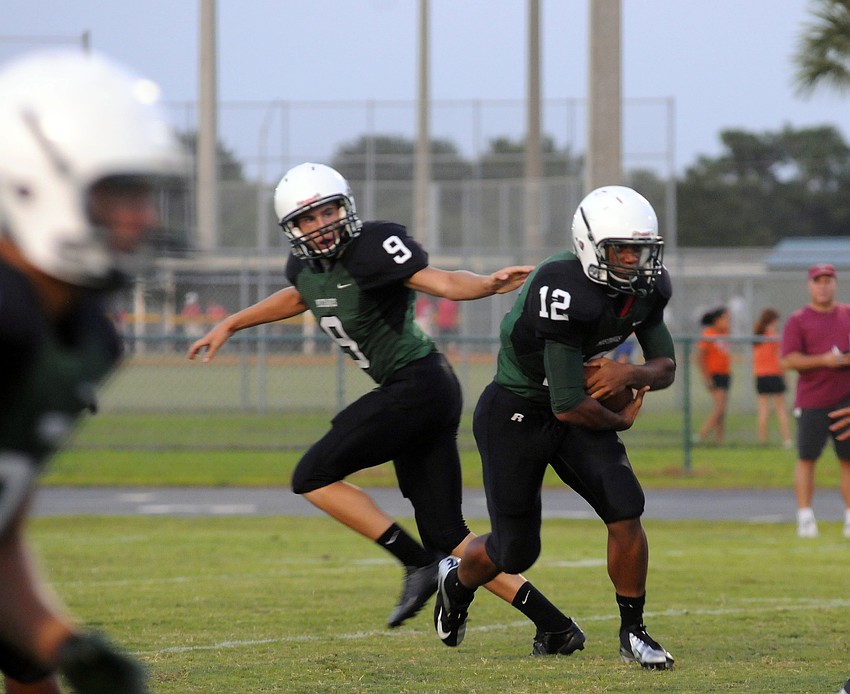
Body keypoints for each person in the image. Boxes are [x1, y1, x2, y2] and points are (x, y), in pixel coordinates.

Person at [188, 162, 586, 655]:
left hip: (416, 386)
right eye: (309, 219)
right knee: (450, 535)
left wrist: (485, 284)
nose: (322, 224)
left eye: (329, 211)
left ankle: (417, 563)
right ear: (293, 228)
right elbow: (297, 297)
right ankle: (555, 626)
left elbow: (438, 281)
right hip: (427, 391)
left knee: (312, 475)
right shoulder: (305, 272)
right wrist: (230, 323)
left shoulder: (375, 248)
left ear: (346, 208)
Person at [431, 186, 676, 669]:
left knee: (626, 506)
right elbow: (566, 404)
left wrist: (631, 374)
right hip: (518, 410)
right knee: (515, 550)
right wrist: (620, 419)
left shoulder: (649, 286)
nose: (632, 261)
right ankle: (457, 581)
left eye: (640, 250)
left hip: (577, 406)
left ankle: (635, 632)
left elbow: (665, 364)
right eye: (620, 249)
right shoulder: (560, 286)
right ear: (590, 245)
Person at [0, 49, 183, 693]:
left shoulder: (86, 333)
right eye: (118, 192)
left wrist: (58, 643)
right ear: (31, 180)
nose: (144, 218)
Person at [781, 263, 850, 539]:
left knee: (847, 460)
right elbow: (788, 359)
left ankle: (848, 517)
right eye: (818, 281)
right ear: (810, 285)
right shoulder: (798, 320)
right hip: (812, 401)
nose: (823, 285)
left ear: (835, 284)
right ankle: (805, 517)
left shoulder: (847, 315)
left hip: (845, 400)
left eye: (828, 280)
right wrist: (824, 360)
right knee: (807, 458)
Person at [752, 308, 792, 448]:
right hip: (774, 374)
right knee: (781, 409)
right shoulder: (773, 336)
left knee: (763, 410)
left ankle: (762, 440)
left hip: (760, 375)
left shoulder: (757, 337)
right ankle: (787, 439)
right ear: (773, 321)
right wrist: (785, 377)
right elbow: (779, 358)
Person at [696, 307, 731, 444]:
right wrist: (707, 378)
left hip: (725, 374)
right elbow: (700, 357)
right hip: (714, 374)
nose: (729, 322)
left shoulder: (725, 333)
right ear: (717, 320)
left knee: (722, 410)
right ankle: (701, 435)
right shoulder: (709, 334)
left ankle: (719, 440)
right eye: (726, 319)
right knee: (719, 407)